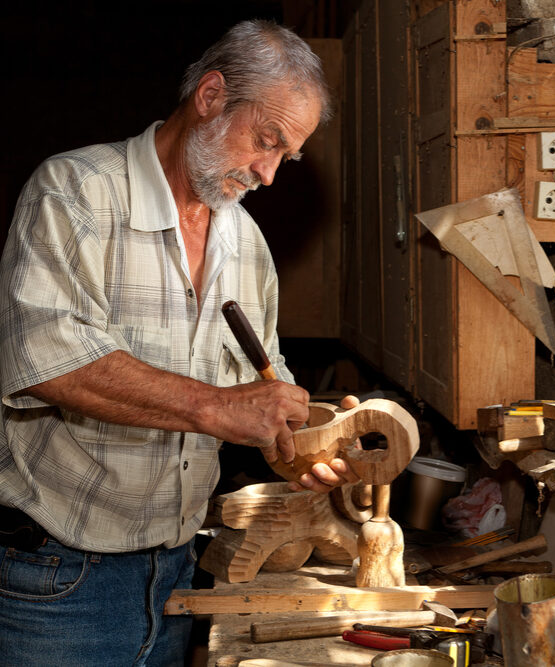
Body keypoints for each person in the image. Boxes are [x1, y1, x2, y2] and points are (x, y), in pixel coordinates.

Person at [0, 20, 356, 666]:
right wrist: (221, 407)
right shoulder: (76, 194)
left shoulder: (246, 245)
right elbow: (48, 363)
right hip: (60, 584)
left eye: (285, 155)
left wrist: (300, 449)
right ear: (212, 95)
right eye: (266, 140)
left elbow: (262, 393)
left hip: (177, 580)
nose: (269, 173)